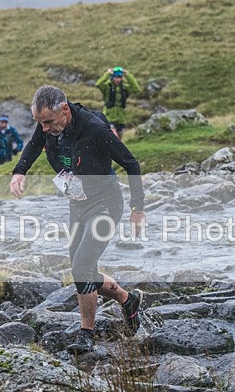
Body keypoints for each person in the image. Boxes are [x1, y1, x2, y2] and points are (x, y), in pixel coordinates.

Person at [10, 85, 146, 354]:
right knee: (81, 269)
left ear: (64, 110)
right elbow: (35, 144)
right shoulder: (49, 125)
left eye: (48, 122)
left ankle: (87, 332)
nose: (44, 128)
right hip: (78, 204)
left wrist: (137, 208)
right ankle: (127, 299)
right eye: (40, 123)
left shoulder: (94, 129)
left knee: (82, 264)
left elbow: (131, 164)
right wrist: (19, 172)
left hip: (106, 203)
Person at [95, 66, 141, 140]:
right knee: (114, 137)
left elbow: (136, 89)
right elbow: (98, 84)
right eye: (116, 77)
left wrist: (128, 75)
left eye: (120, 77)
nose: (118, 79)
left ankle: (111, 151)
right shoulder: (107, 87)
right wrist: (107, 73)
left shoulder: (124, 88)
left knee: (119, 140)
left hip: (121, 118)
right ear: (113, 77)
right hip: (109, 117)